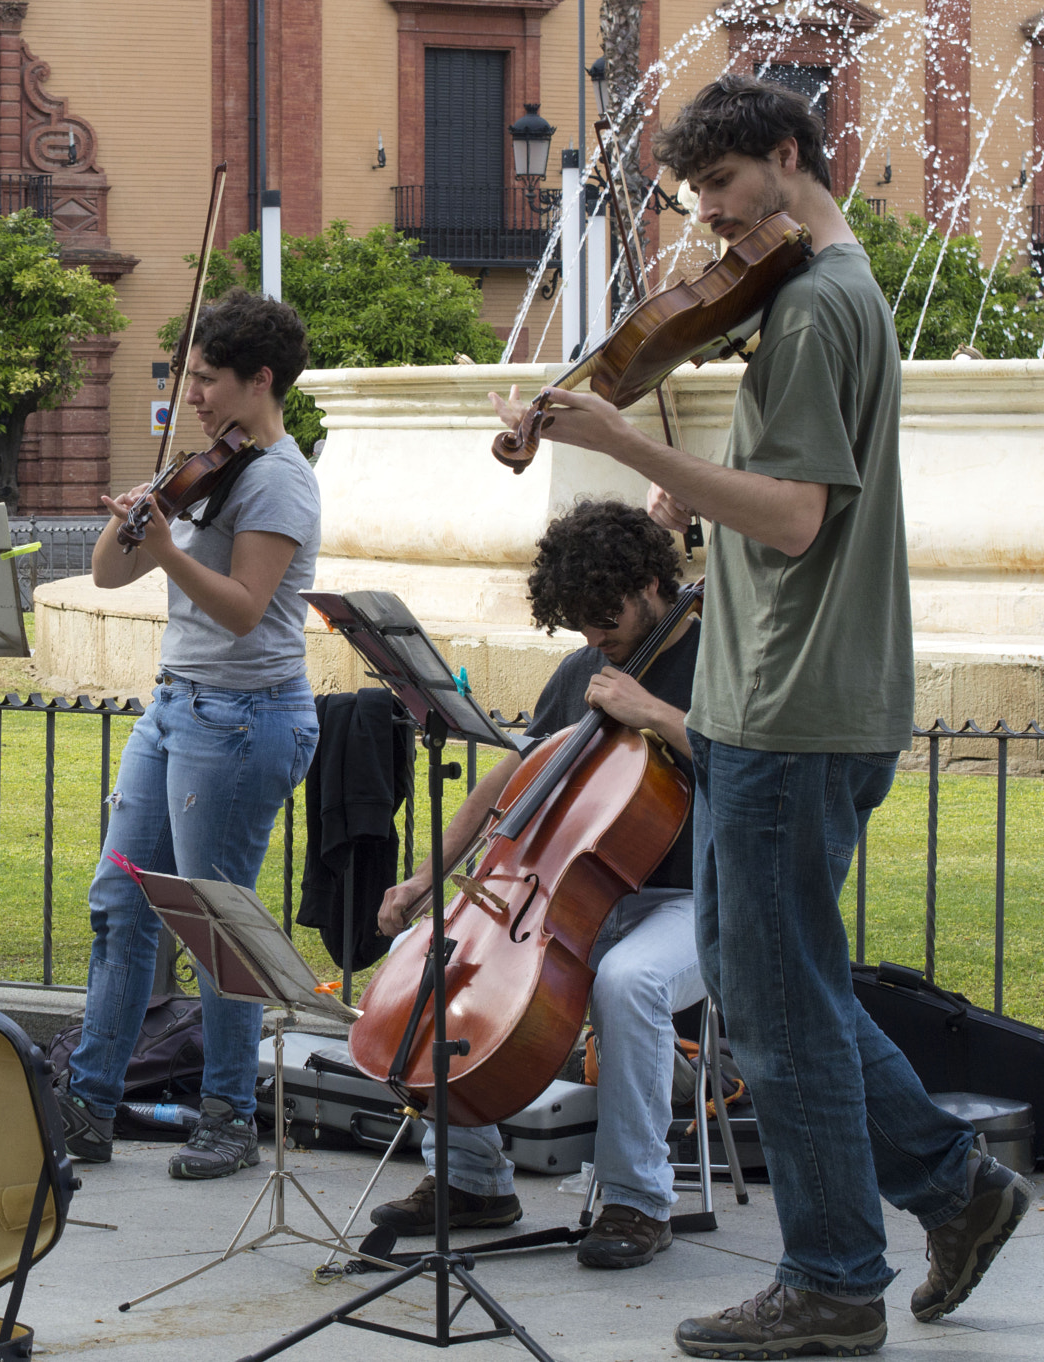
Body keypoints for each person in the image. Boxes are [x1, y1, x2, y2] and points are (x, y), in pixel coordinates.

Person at [495, 76, 1031, 1356]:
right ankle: (954, 1190)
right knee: (761, 981)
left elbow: (793, 518)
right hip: (764, 702)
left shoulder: (812, 309)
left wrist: (626, 447)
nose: (713, 228)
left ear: (786, 158)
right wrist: (686, 505)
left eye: (725, 194)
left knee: (778, 1006)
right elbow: (776, 507)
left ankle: (835, 1279)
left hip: (794, 709)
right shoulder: (810, 299)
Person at [368, 499, 705, 1271]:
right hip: (575, 898)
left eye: (604, 616)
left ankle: (635, 1199)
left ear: (655, 583)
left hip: (690, 902)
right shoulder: (584, 669)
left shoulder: (719, 660)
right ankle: (472, 1180)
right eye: (579, 622)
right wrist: (429, 878)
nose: (594, 637)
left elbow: (748, 761)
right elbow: (513, 780)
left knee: (627, 982)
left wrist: (651, 711)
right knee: (447, 963)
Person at [57, 288, 320, 1180]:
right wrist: (132, 523)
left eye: (206, 380)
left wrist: (170, 550)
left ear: (260, 382)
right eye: (188, 376)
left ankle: (229, 1114)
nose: (191, 396)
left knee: (216, 924)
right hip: (177, 707)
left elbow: (246, 611)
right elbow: (103, 577)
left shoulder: (280, 477)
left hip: (245, 717)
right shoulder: (209, 472)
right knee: (120, 904)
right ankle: (89, 1104)